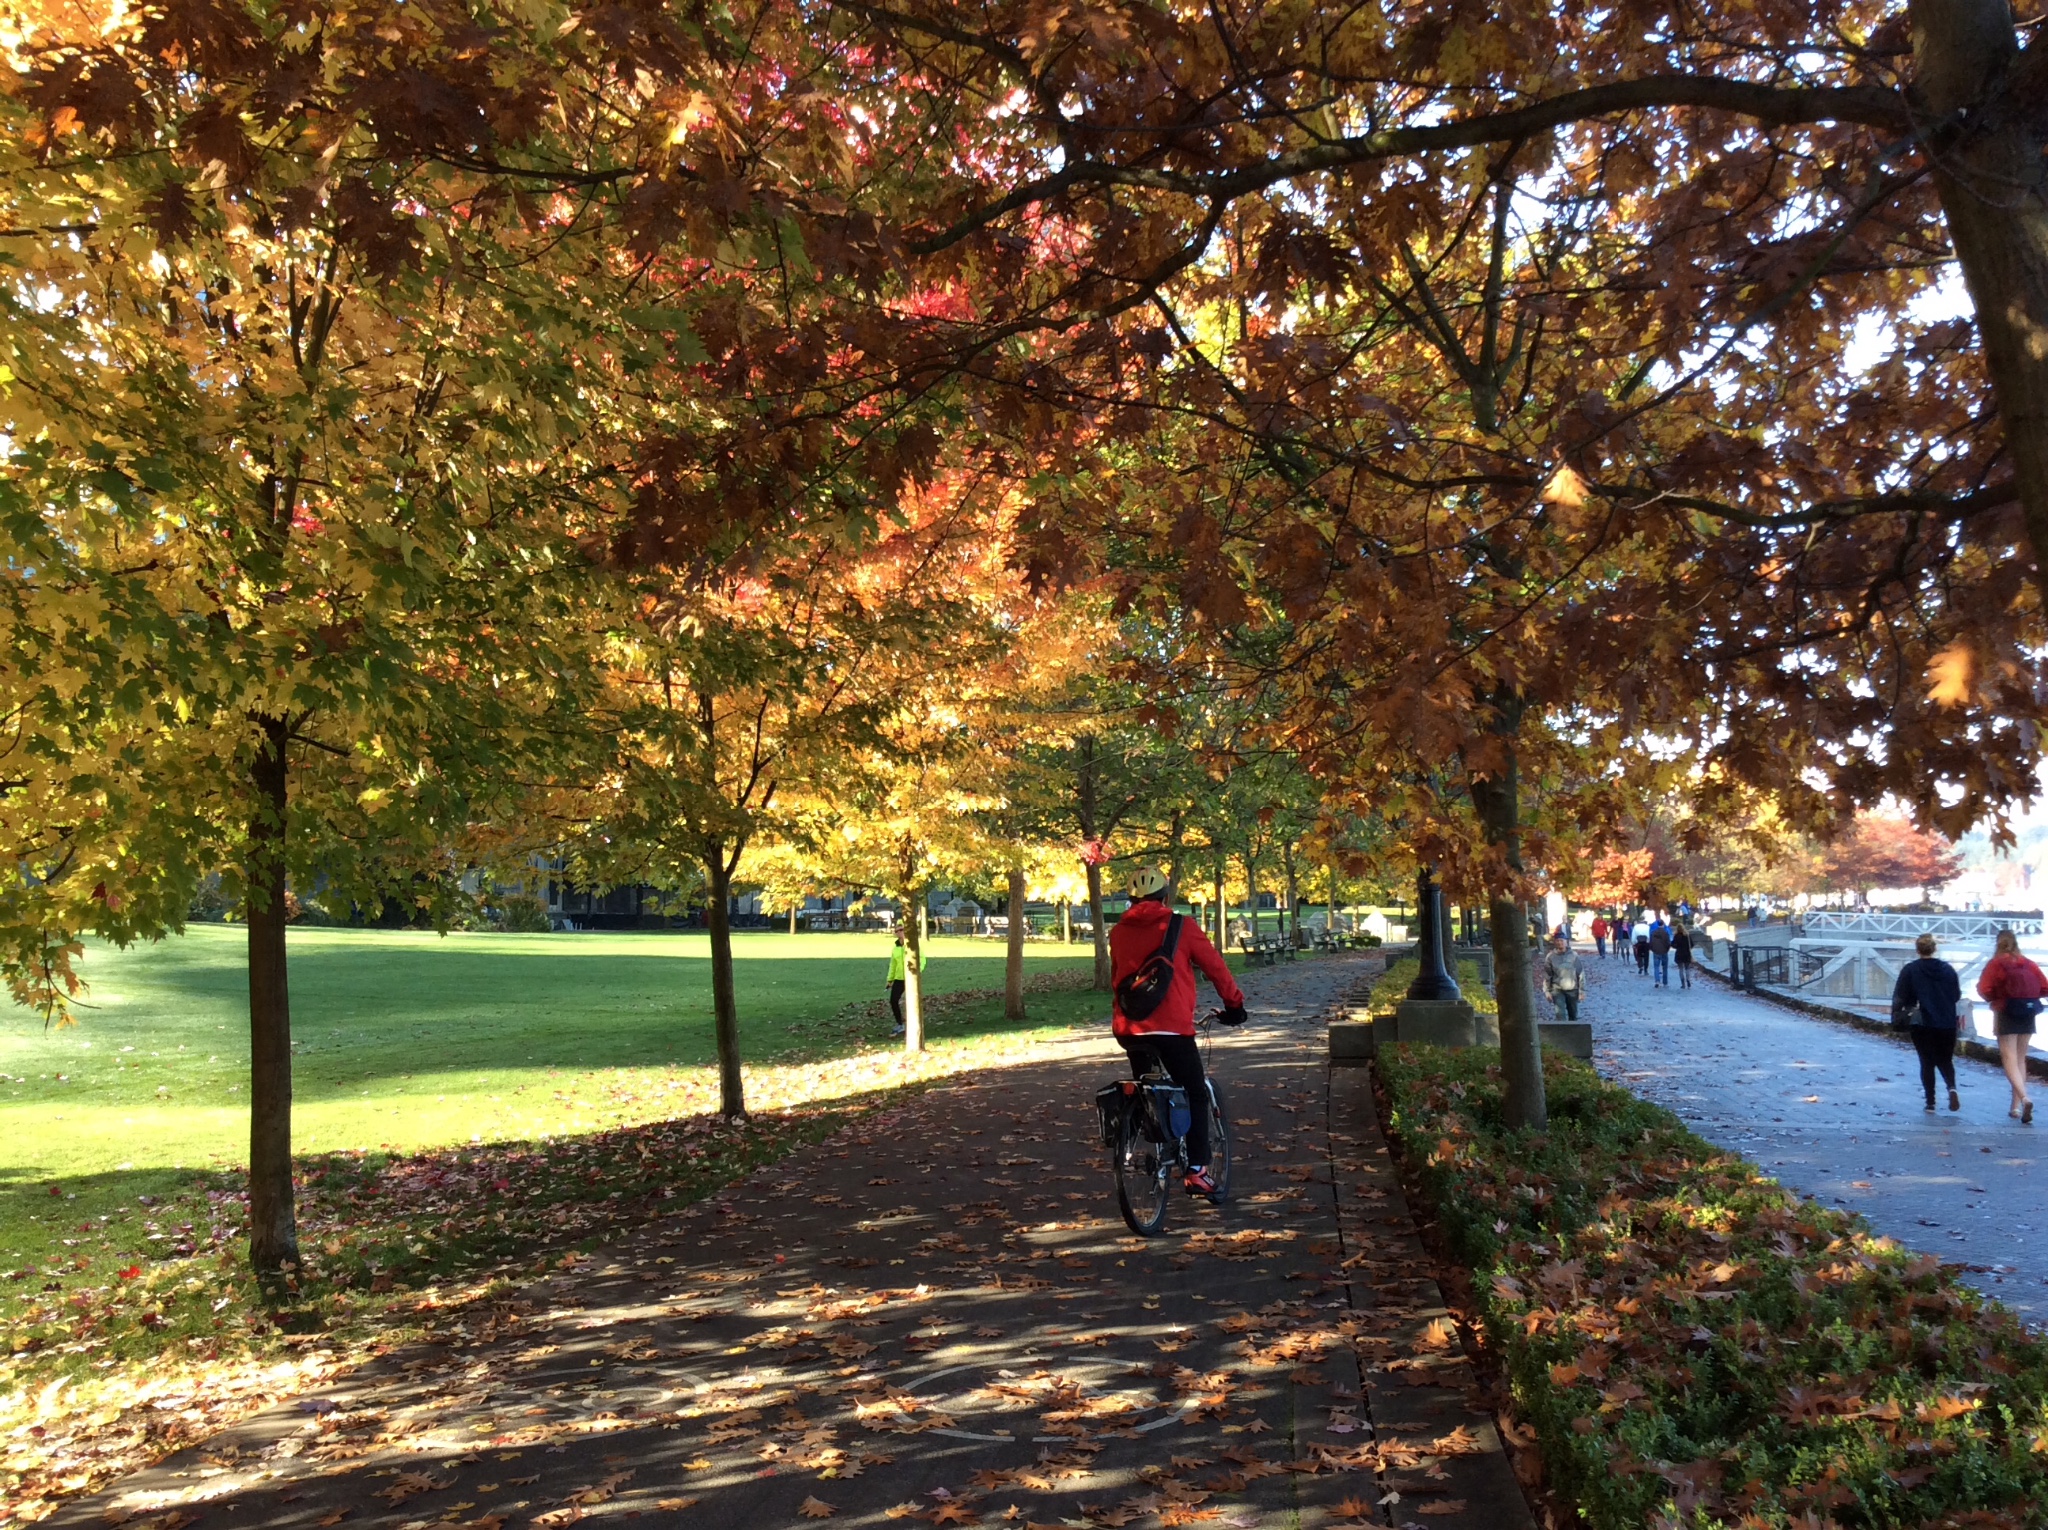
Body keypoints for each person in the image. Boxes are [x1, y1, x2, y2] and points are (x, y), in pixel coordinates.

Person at [1110, 866, 1248, 1196]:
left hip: (1130, 1029)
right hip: (1171, 1028)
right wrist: (1234, 1006)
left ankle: (1156, 1151)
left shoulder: (1117, 932)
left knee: (1148, 1090)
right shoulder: (1181, 926)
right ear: (1166, 897)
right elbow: (1216, 968)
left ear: (1131, 899)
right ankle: (1197, 1170)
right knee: (1195, 1091)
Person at [1976, 929, 2045, 1123]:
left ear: (1998, 944)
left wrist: (1995, 1000)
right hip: (2028, 1012)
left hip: (2006, 1011)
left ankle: (2024, 1099)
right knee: (2021, 1059)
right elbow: (2045, 987)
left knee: (2009, 1058)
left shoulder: (1996, 963)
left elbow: (1984, 988)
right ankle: (2015, 1107)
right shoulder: (2029, 964)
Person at [1894, 933, 1965, 1113]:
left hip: (1922, 1021)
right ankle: (1952, 1087)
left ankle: (1931, 1102)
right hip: (1947, 1021)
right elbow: (1956, 995)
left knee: (1926, 1061)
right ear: (1935, 948)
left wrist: (1898, 1018)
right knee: (1946, 1059)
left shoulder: (1910, 970)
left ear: (1917, 950)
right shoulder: (1948, 969)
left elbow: (1900, 996)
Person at [1542, 934, 1585, 1024]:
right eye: (1557, 940)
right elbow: (1547, 975)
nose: (1559, 943)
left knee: (1573, 1015)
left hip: (1572, 989)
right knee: (1560, 1015)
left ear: (1566, 942)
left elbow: (1580, 973)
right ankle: (1562, 1035)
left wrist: (1582, 991)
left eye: (1562, 940)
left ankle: (1572, 1035)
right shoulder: (1550, 957)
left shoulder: (1573, 956)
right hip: (1557, 989)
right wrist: (1547, 991)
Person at [886, 933, 914, 1033]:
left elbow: (921, 959)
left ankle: (914, 1024)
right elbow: (893, 965)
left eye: (901, 929)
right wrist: (890, 979)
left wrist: (917, 971)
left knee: (912, 1002)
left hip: (911, 978)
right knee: (893, 1000)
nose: (899, 932)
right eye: (897, 930)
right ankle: (900, 1024)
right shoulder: (895, 948)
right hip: (899, 979)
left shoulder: (912, 944)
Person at [1648, 916, 1672, 987]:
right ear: (1663, 924)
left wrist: (1653, 949)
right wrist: (1667, 949)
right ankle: (1665, 982)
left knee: (1656, 966)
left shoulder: (1653, 933)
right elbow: (1668, 943)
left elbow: (1651, 943)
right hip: (1664, 951)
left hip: (1656, 951)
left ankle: (1657, 981)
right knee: (1664, 967)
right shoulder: (1665, 933)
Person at [1672, 922, 1694, 988]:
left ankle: (1683, 983)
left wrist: (1676, 946)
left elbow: (1673, 944)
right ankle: (1688, 980)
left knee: (1681, 969)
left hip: (1679, 953)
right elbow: (1692, 944)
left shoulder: (1676, 936)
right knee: (1687, 968)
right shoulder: (1687, 935)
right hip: (1687, 953)